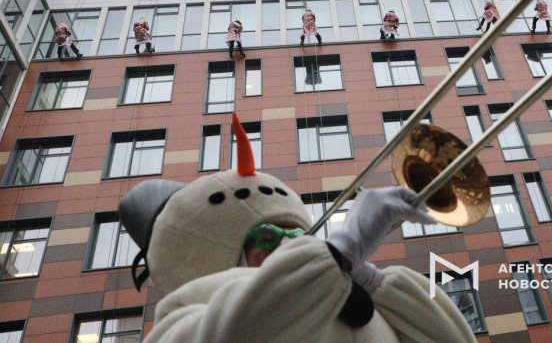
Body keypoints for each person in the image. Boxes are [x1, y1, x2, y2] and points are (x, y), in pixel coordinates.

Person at [118, 113, 476, 343]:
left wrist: (374, 283)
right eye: (267, 237)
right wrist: (340, 249)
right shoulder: (184, 314)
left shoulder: (333, 289)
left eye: (297, 237)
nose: (287, 246)